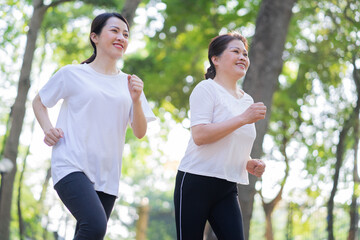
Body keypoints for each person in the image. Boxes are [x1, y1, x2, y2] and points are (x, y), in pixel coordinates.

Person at [32, 12, 156, 240]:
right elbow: (39, 101)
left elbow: (139, 132)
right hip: (71, 164)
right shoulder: (73, 73)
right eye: (114, 31)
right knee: (95, 225)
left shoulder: (129, 83)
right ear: (95, 37)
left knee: (90, 233)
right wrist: (48, 128)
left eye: (126, 34)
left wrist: (137, 99)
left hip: (107, 174)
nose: (121, 37)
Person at [173, 32, 267, 240]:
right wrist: (243, 118)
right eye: (235, 51)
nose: (242, 57)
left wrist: (248, 162)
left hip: (226, 186)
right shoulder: (206, 89)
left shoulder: (246, 100)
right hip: (196, 180)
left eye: (245, 53)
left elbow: (230, 142)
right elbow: (200, 135)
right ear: (215, 59)